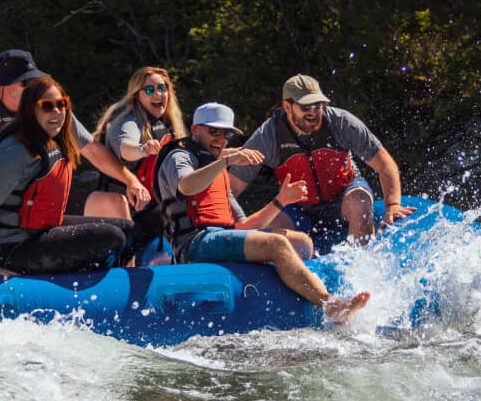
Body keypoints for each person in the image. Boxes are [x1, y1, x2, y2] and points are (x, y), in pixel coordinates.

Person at [155, 101, 369, 324]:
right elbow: (186, 186)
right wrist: (226, 160)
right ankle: (330, 305)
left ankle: (301, 299)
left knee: (301, 242)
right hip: (195, 243)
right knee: (276, 244)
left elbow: (244, 225)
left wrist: (281, 200)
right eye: (214, 131)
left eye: (226, 134)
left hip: (218, 238)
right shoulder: (180, 157)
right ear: (195, 130)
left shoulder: (216, 172)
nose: (221, 138)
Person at [0, 49, 150, 220]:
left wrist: (131, 181)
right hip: (8, 210)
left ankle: (124, 280)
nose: (33, 88)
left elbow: (93, 152)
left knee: (115, 203)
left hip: (48, 202)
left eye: (34, 81)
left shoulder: (52, 110)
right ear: (4, 85)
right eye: (25, 83)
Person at [0, 76, 131, 276]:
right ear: (31, 109)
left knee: (130, 231)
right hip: (12, 249)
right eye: (47, 105)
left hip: (41, 233)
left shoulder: (54, 140)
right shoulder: (15, 151)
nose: (56, 111)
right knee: (112, 236)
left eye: (61, 104)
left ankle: (109, 282)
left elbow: (94, 151)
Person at [229, 74, 415, 246]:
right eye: (305, 106)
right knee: (265, 233)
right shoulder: (268, 135)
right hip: (298, 207)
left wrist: (393, 205)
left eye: (318, 105)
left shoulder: (341, 123)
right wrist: (224, 224)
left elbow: (384, 164)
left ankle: (361, 267)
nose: (313, 112)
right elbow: (231, 188)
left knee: (361, 201)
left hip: (343, 195)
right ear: (287, 107)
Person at [93, 66, 187, 256]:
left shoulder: (167, 126)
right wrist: (142, 150)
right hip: (127, 212)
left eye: (162, 88)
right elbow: (125, 147)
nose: (158, 94)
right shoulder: (127, 121)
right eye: (150, 90)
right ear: (137, 96)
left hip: (153, 212)